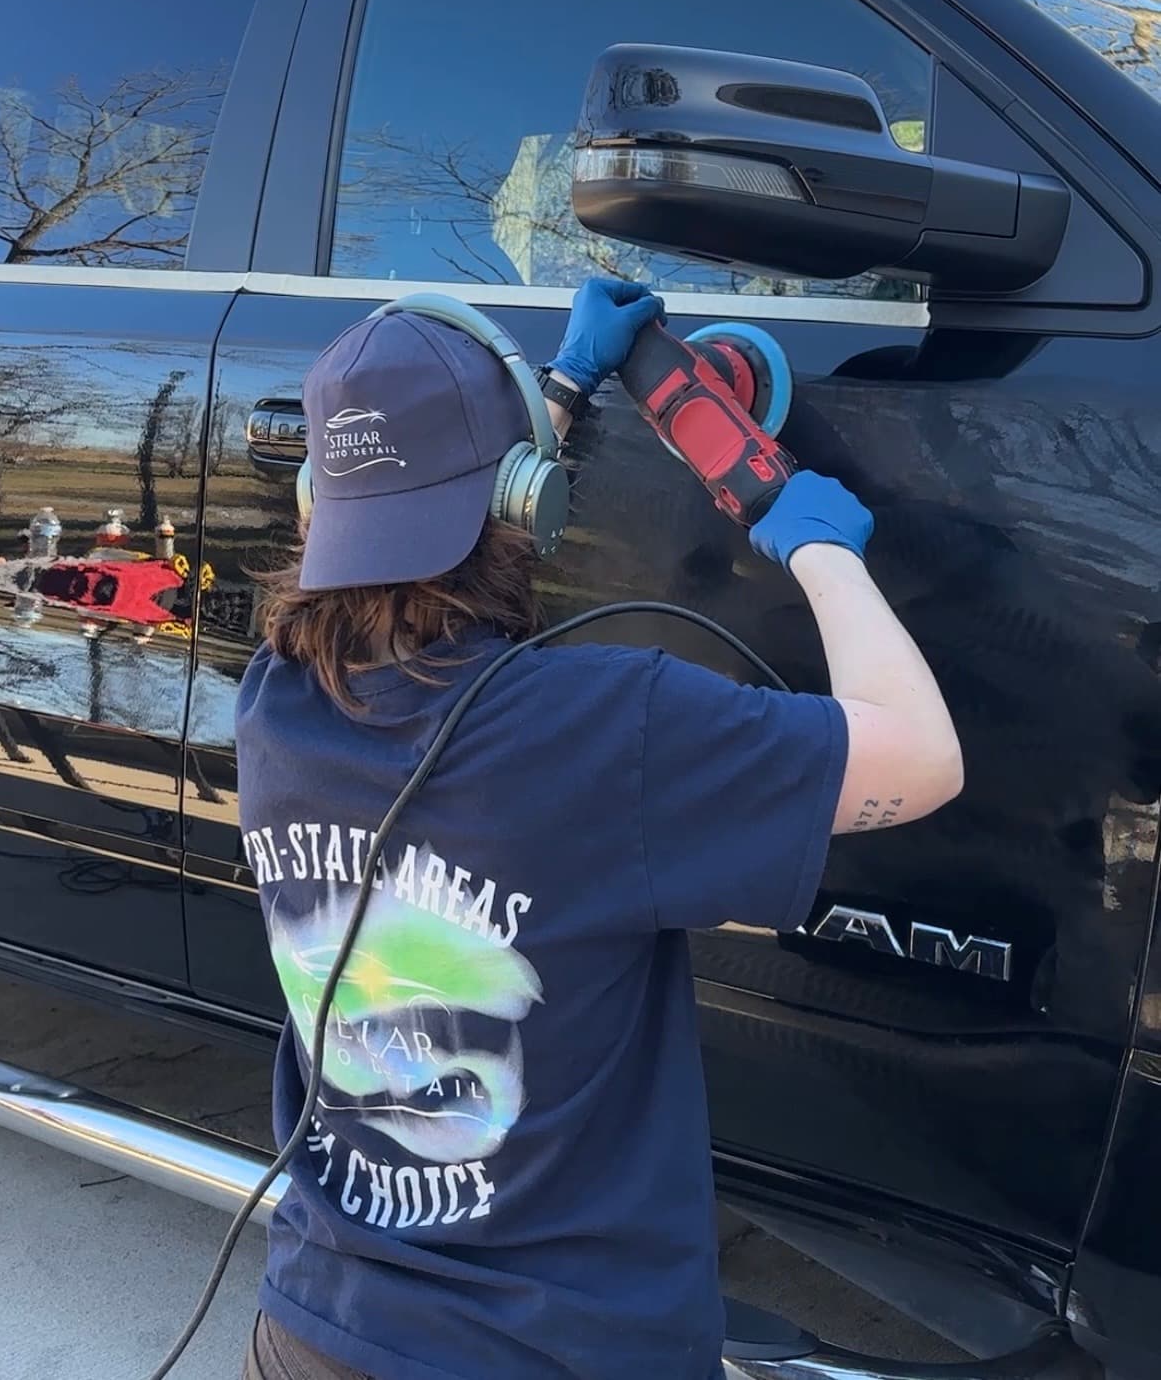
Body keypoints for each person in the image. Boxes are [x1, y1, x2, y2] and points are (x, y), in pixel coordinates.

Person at [235, 277, 963, 1380]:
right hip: (555, 1354)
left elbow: (444, 533)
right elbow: (920, 756)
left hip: (313, 1327)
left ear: (315, 506)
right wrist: (816, 543)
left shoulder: (272, 702)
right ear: (527, 500)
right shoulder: (609, 727)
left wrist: (564, 388)